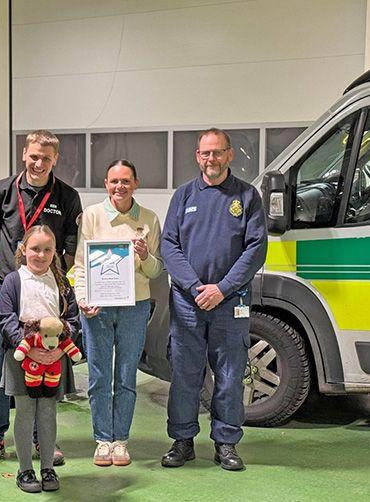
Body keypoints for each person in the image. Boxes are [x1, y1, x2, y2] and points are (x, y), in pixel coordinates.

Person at [160, 128, 267, 471]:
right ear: (197, 156)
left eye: (218, 152)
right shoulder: (183, 196)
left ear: (230, 154)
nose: (212, 159)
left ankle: (226, 443)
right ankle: (182, 440)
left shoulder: (247, 197)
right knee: (185, 374)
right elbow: (169, 246)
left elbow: (255, 249)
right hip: (187, 303)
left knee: (230, 373)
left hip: (229, 302)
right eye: (206, 153)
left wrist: (222, 288)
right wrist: (194, 288)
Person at [0, 130, 82, 467]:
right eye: (34, 156)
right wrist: (17, 272)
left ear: (55, 160)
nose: (38, 163)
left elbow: (68, 247)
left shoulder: (66, 196)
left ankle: (41, 438)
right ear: (24, 154)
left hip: (48, 295)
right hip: (5, 292)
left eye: (46, 158)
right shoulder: (2, 191)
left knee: (46, 363)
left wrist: (46, 278)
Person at [73, 159, 163, 466]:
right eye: (114, 181)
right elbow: (81, 264)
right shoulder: (92, 215)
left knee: (126, 376)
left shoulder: (149, 219)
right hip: (97, 307)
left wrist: (144, 255)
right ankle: (102, 440)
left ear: (136, 183)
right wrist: (82, 298)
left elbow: (154, 271)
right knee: (99, 376)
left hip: (134, 308)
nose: (119, 187)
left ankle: (121, 440)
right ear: (106, 184)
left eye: (126, 181)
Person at [0, 225, 80, 493]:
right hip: (22, 356)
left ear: (55, 252)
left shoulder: (62, 282)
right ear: (23, 250)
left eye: (47, 250)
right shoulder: (13, 281)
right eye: (35, 249)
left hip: (55, 358)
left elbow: (73, 320)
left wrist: (59, 350)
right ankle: (25, 470)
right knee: (24, 413)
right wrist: (28, 347)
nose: (41, 255)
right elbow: (5, 318)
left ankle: (47, 467)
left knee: (47, 413)